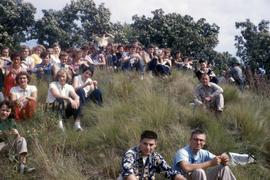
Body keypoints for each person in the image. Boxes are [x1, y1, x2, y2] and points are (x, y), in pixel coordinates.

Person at [119, 130, 186, 180]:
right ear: (140, 142)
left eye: (151, 145)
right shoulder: (130, 154)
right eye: (145, 144)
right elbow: (128, 174)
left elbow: (170, 172)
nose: (148, 147)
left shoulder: (155, 157)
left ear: (155, 145)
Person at [0, 100, 35, 174]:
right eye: (3, 110)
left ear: (10, 112)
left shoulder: (11, 121)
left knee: (22, 139)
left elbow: (17, 138)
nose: (5, 113)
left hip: (8, 145)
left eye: (7, 111)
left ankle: (22, 165)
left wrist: (17, 134)